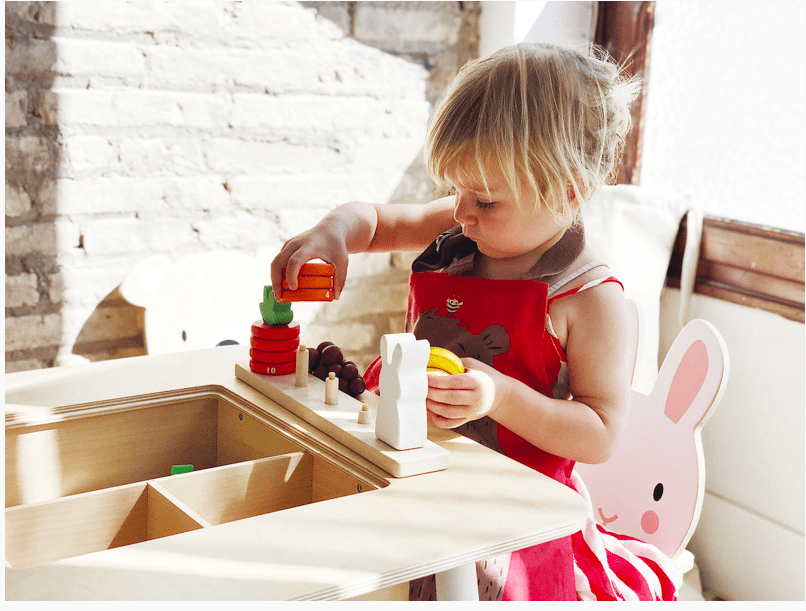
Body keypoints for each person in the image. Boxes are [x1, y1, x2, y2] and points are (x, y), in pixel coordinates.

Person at [271, 43, 681, 601]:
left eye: (484, 200)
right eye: (456, 189)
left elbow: (601, 433)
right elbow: (374, 222)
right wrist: (333, 232)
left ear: (568, 190)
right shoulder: (464, 227)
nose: (461, 212)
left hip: (510, 518)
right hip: (417, 472)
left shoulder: (590, 300)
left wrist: (499, 396)